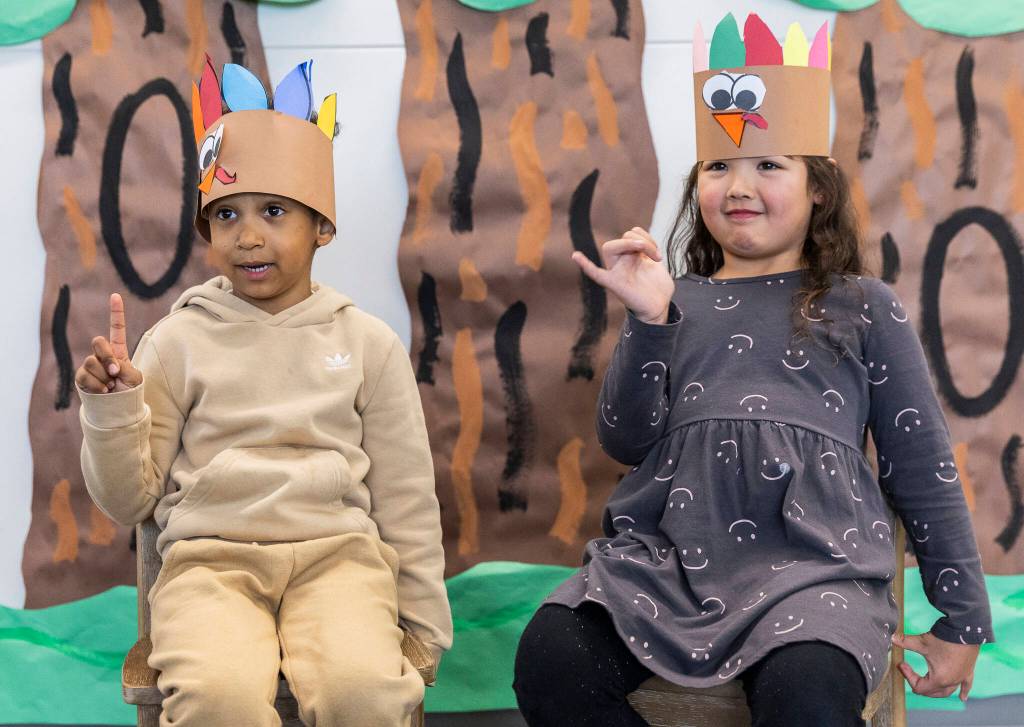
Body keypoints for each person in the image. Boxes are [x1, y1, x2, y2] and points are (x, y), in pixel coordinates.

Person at [513, 13, 992, 727]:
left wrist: (961, 619)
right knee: (550, 657)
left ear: (818, 189)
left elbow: (922, 466)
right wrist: (648, 322)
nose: (739, 185)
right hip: (664, 569)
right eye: (719, 166)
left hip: (814, 578)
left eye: (768, 165)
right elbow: (626, 440)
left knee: (807, 695)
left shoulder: (861, 306)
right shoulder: (672, 299)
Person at [74, 58, 451, 727]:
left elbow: (406, 496)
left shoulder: (367, 344)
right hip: (207, 568)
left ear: (321, 227)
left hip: (340, 564)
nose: (248, 235)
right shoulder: (174, 342)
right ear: (206, 230)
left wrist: (423, 626)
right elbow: (128, 498)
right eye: (225, 216)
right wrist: (111, 409)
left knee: (362, 691)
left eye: (273, 211)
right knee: (218, 699)